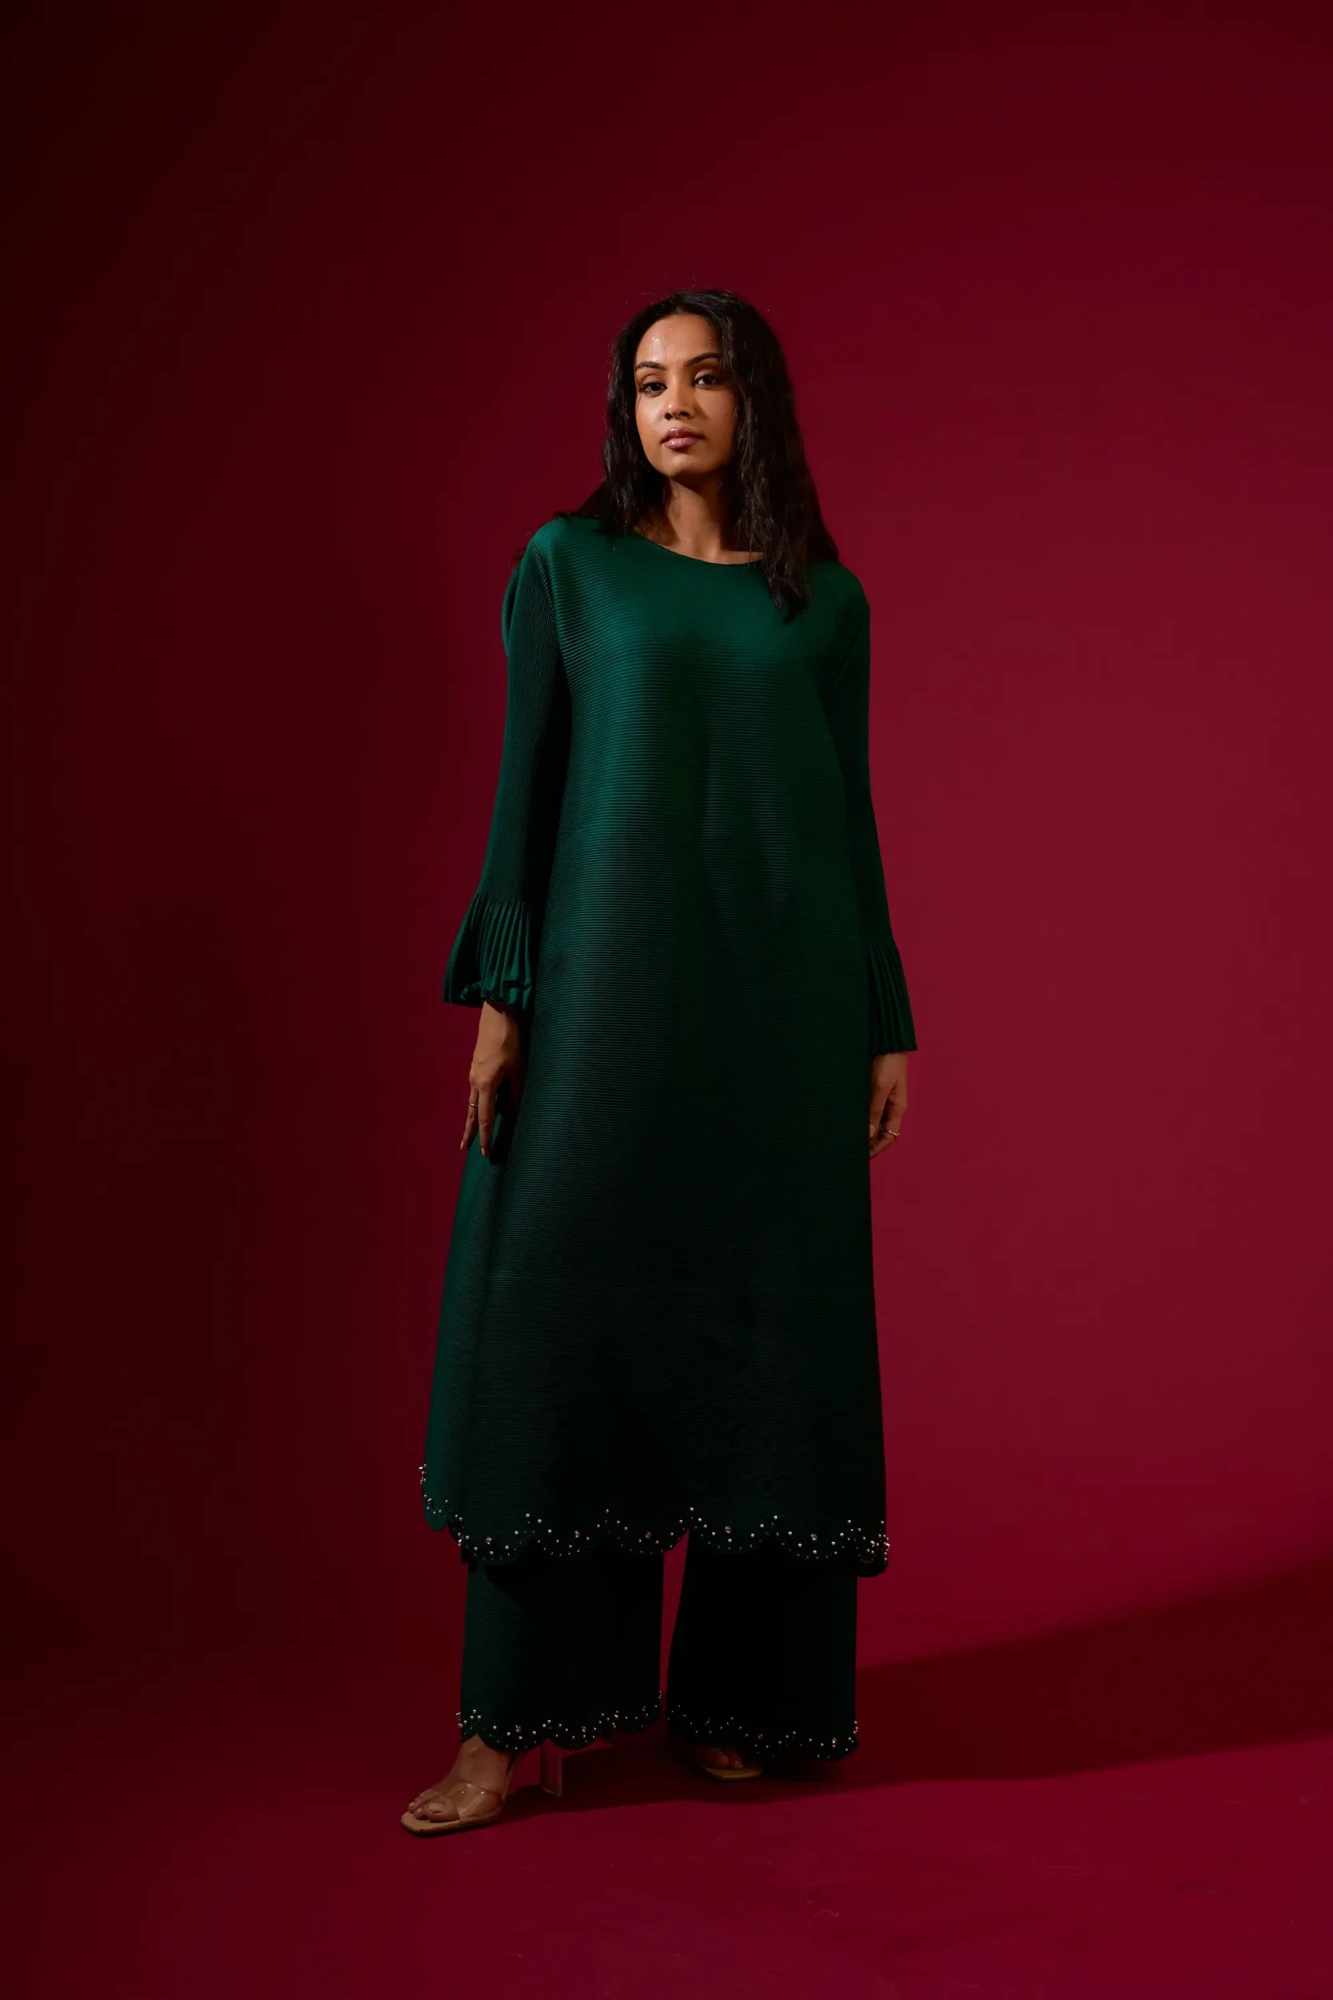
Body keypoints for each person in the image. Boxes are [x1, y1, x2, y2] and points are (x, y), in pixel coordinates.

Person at [402, 288, 918, 1835]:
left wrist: (884, 1016)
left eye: (702, 378)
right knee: (558, 1327)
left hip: (784, 1018)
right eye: (646, 383)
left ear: (756, 400)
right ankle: (508, 1728)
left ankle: (740, 1699)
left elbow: (851, 822)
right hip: (605, 1006)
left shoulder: (825, 605)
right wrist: (504, 999)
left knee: (769, 1339)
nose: (672, 404)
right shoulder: (569, 569)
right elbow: (527, 792)